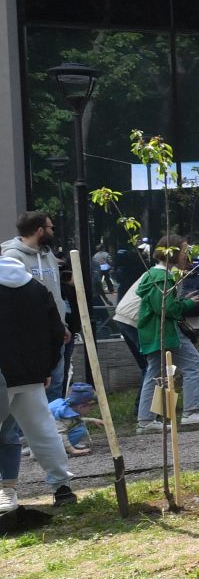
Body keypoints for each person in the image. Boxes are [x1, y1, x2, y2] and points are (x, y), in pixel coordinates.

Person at [0, 252, 74, 509]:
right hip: (32, 374)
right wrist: (47, 368)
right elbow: (56, 330)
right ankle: (62, 487)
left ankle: (6, 491)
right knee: (42, 429)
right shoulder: (35, 286)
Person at [128, 235, 199, 432]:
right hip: (165, 332)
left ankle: (145, 421)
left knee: (155, 374)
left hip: (154, 332)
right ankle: (192, 411)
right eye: (184, 251)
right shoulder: (162, 277)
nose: (187, 255)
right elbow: (166, 309)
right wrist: (188, 303)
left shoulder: (154, 275)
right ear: (174, 252)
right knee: (195, 365)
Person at [4, 211, 72, 395]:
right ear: (40, 230)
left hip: (55, 328)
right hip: (32, 334)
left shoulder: (47, 255)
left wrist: (61, 324)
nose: (53, 231)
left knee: (57, 381)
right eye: (51, 227)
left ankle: (54, 422)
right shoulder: (13, 257)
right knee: (37, 386)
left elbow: (55, 292)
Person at [46, 381, 95, 457]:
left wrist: (92, 420)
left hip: (46, 438)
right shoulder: (63, 415)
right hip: (43, 445)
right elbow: (60, 433)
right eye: (90, 409)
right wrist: (73, 451)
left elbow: (76, 420)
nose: (90, 411)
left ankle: (64, 448)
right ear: (81, 406)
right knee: (80, 430)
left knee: (79, 428)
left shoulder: (67, 407)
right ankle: (62, 450)